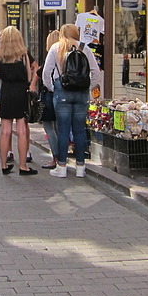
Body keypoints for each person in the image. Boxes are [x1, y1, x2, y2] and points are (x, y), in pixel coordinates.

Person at [42, 24, 100, 179]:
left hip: (63, 92)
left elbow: (46, 72)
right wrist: (88, 87)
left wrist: (53, 88)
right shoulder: (84, 48)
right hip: (81, 93)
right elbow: (95, 71)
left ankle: (62, 166)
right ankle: (80, 167)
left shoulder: (56, 48)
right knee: (79, 130)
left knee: (63, 130)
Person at [0, 26, 38, 176]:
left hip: (6, 91)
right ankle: (23, 166)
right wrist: (32, 83)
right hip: (21, 92)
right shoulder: (24, 54)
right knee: (21, 130)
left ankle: (4, 165)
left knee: (5, 131)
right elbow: (35, 67)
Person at [39, 30, 60, 169]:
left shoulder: (51, 56)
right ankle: (61, 157)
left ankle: (55, 158)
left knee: (49, 127)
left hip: (50, 94)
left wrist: (51, 88)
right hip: (61, 94)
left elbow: (46, 74)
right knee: (59, 127)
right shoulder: (65, 56)